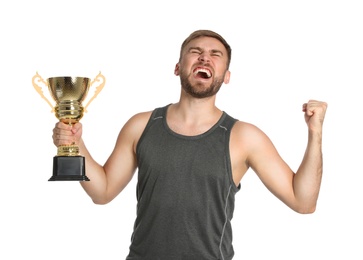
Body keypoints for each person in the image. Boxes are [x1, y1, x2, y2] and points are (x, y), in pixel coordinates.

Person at [52, 29, 328, 260]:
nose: (205, 57)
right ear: (178, 67)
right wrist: (76, 144)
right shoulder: (140, 125)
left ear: (226, 75)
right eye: (195, 52)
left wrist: (315, 133)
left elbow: (303, 202)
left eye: (215, 54)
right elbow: (102, 192)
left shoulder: (244, 136)